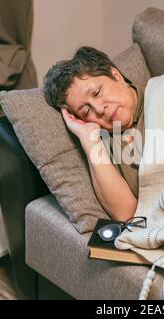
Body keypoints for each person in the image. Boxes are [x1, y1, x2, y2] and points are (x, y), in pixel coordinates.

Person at [43, 46, 145, 222]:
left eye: (97, 92)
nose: (99, 109)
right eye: (86, 110)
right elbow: (126, 214)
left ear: (116, 76)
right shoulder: (107, 144)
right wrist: (88, 139)